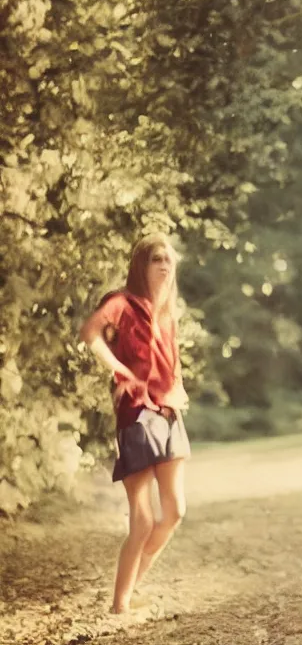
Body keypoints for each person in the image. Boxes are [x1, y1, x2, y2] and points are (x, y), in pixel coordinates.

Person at [80, 232, 190, 614]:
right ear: (140, 265)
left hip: (168, 414)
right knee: (142, 520)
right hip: (137, 415)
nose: (163, 265)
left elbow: (167, 365)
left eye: (168, 260)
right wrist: (120, 370)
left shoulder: (167, 314)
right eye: (155, 259)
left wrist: (178, 388)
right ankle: (119, 604)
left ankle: (133, 583)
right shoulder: (122, 303)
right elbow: (89, 332)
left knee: (175, 512)